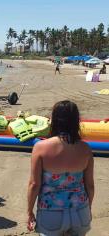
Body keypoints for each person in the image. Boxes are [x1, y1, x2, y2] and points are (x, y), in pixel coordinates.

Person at [27, 100, 94, 235]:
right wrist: (87, 208)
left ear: (55, 120)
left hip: (51, 213)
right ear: (76, 121)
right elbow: (90, 185)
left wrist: (29, 212)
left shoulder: (41, 148)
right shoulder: (85, 149)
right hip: (80, 210)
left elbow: (34, 184)